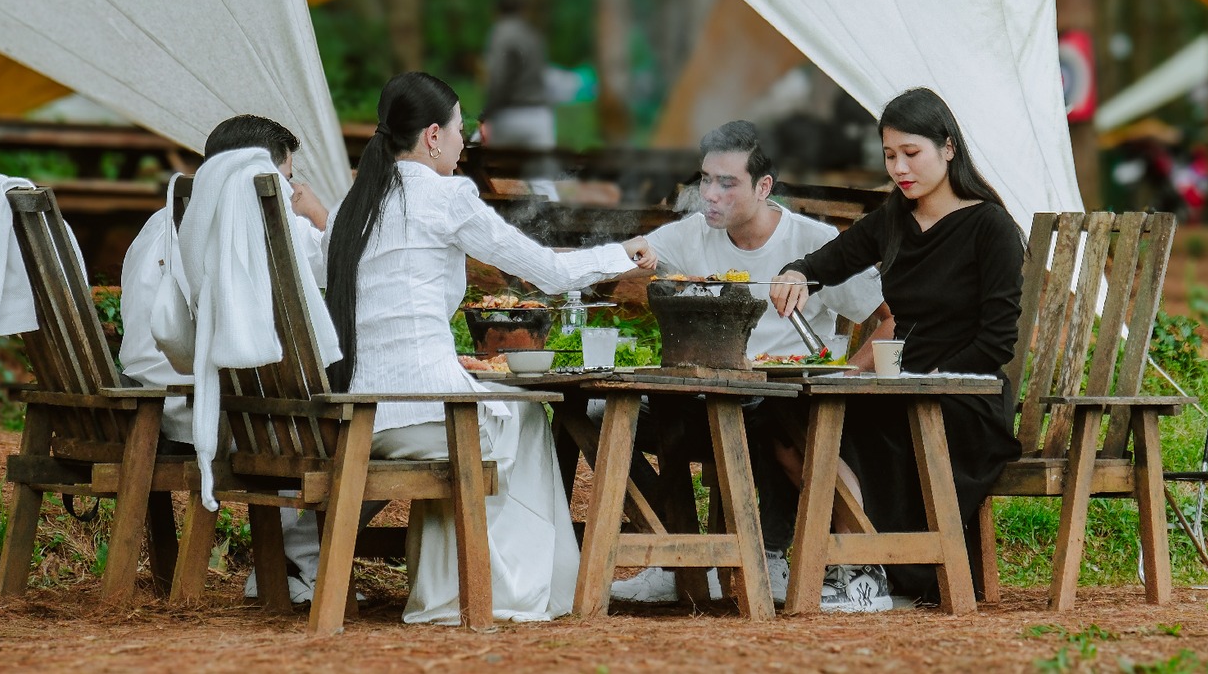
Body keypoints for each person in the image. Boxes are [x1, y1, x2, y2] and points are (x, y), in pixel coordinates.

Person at [323, 70, 658, 623]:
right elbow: (548, 272)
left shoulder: (352, 206)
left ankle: (448, 589)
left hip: (363, 411)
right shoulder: (446, 197)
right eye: (459, 130)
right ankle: (506, 592)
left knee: (496, 417)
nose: (465, 142)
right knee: (524, 420)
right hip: (418, 414)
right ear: (433, 136)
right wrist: (623, 251)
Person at [611, 119, 893, 607]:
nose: (710, 195)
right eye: (704, 180)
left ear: (764, 186)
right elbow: (626, 263)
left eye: (727, 183)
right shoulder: (690, 235)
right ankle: (678, 557)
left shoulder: (816, 243)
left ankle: (774, 554)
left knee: (772, 416)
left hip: (784, 402)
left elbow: (889, 319)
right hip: (704, 398)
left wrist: (851, 371)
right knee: (603, 417)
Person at [770, 87, 1024, 608]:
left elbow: (996, 341)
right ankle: (868, 566)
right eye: (890, 156)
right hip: (902, 386)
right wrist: (795, 272)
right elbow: (833, 259)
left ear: (948, 148)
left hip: (965, 398)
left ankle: (863, 573)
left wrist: (922, 384)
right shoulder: (894, 219)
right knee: (787, 425)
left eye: (912, 153)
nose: (900, 168)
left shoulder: (990, 226)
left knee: (853, 428)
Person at [117, 113, 333, 601]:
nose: (291, 188)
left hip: (154, 398)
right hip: (208, 408)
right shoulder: (257, 216)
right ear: (259, 170)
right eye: (288, 176)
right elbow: (334, 261)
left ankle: (291, 566)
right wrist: (318, 214)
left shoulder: (162, 220)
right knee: (359, 425)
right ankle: (303, 567)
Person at [480, 0, 554, 149]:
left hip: (509, 114)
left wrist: (486, 114)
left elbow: (497, 79)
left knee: (491, 163)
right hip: (539, 115)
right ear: (523, 11)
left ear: (497, 11)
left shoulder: (499, 33)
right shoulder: (533, 35)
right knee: (540, 172)